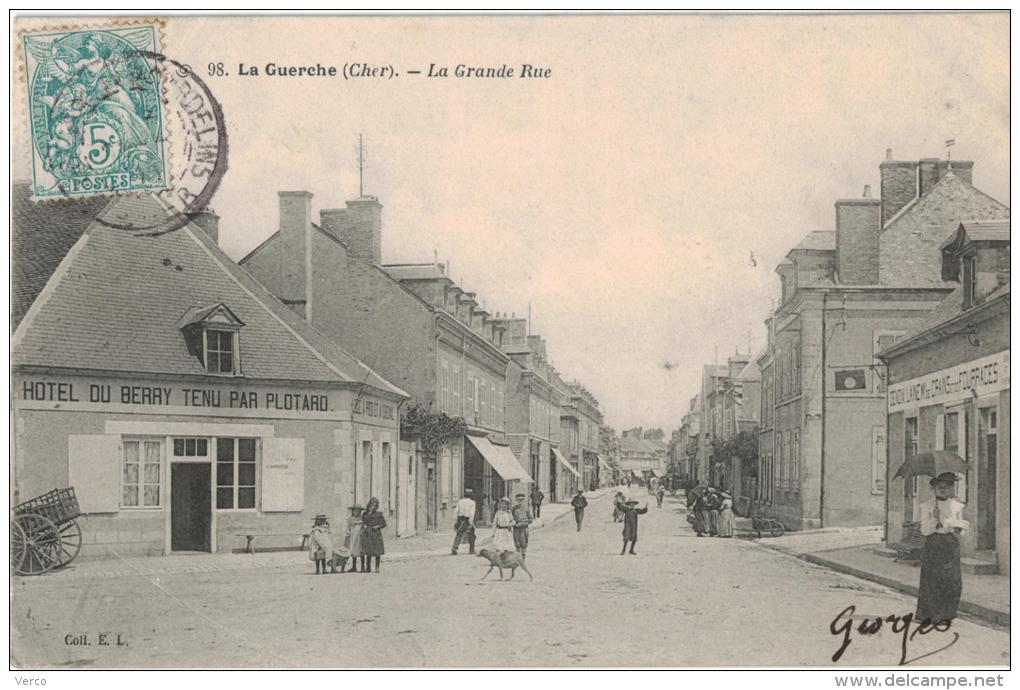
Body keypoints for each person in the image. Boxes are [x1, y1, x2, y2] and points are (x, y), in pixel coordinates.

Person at [916, 473, 968, 625]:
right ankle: (929, 614)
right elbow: (924, 531)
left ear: (952, 488)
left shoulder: (957, 506)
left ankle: (947, 614)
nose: (943, 489)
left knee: (951, 580)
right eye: (940, 486)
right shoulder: (926, 506)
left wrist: (958, 529)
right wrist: (934, 518)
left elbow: (961, 530)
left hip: (950, 545)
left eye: (947, 486)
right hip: (933, 544)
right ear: (934, 488)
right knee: (932, 580)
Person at [360, 497, 386, 573]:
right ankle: (368, 567)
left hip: (376, 533)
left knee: (377, 551)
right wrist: (369, 513)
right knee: (369, 551)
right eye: (372, 504)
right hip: (368, 533)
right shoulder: (365, 514)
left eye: (375, 505)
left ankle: (377, 567)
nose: (373, 506)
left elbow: (384, 524)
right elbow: (364, 522)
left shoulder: (379, 514)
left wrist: (377, 526)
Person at [451, 489, 477, 555]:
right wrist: (471, 522)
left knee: (459, 534)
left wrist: (456, 521)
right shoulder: (472, 502)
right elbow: (472, 513)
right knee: (472, 535)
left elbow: (455, 512)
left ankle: (454, 547)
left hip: (460, 519)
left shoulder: (460, 501)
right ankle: (471, 550)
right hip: (467, 520)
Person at [511, 493, 534, 560]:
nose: (519, 501)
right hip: (516, 528)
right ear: (516, 500)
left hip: (524, 528)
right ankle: (518, 558)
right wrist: (513, 523)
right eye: (518, 500)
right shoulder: (514, 509)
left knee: (524, 543)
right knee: (517, 543)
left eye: (521, 500)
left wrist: (524, 523)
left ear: (523, 500)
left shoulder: (526, 508)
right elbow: (511, 518)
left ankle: (523, 557)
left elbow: (531, 519)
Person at [345, 504, 364, 573]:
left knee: (361, 550)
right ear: (352, 511)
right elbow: (347, 527)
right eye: (355, 511)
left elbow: (364, 526)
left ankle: (362, 566)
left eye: (358, 511)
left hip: (360, 536)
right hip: (353, 536)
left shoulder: (362, 518)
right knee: (353, 551)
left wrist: (363, 532)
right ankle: (354, 566)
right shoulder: (350, 519)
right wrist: (348, 533)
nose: (356, 512)